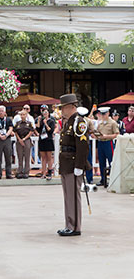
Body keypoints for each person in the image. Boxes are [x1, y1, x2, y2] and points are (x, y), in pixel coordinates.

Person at [57, 94, 91, 236]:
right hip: (66, 163)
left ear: (70, 107)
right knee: (67, 196)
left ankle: (75, 226)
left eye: (63, 108)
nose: (61, 111)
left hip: (73, 164)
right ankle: (69, 224)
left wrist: (79, 165)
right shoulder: (68, 122)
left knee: (73, 196)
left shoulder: (79, 122)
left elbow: (83, 146)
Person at [96, 107, 119, 186]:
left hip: (108, 142)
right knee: (101, 162)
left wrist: (107, 136)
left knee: (111, 161)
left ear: (108, 113)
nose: (103, 116)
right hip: (101, 142)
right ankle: (103, 179)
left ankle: (113, 179)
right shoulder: (100, 123)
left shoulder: (112, 123)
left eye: (104, 114)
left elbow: (117, 134)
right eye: (102, 114)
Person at [36, 107, 55, 180]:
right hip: (42, 139)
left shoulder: (51, 121)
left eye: (46, 113)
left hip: (48, 139)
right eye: (44, 113)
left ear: (48, 114)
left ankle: (49, 172)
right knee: (43, 158)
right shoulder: (41, 121)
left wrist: (46, 123)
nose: (45, 114)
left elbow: (50, 130)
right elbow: (38, 128)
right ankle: (43, 172)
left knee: (49, 157)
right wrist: (38, 120)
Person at [14, 110, 34, 179]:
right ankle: (20, 171)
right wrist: (19, 139)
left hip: (27, 140)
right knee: (20, 157)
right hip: (19, 140)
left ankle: (26, 172)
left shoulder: (29, 123)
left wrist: (24, 139)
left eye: (24, 114)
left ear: (26, 115)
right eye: (21, 115)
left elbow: (31, 132)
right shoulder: (17, 123)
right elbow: (15, 131)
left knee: (27, 156)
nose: (22, 116)